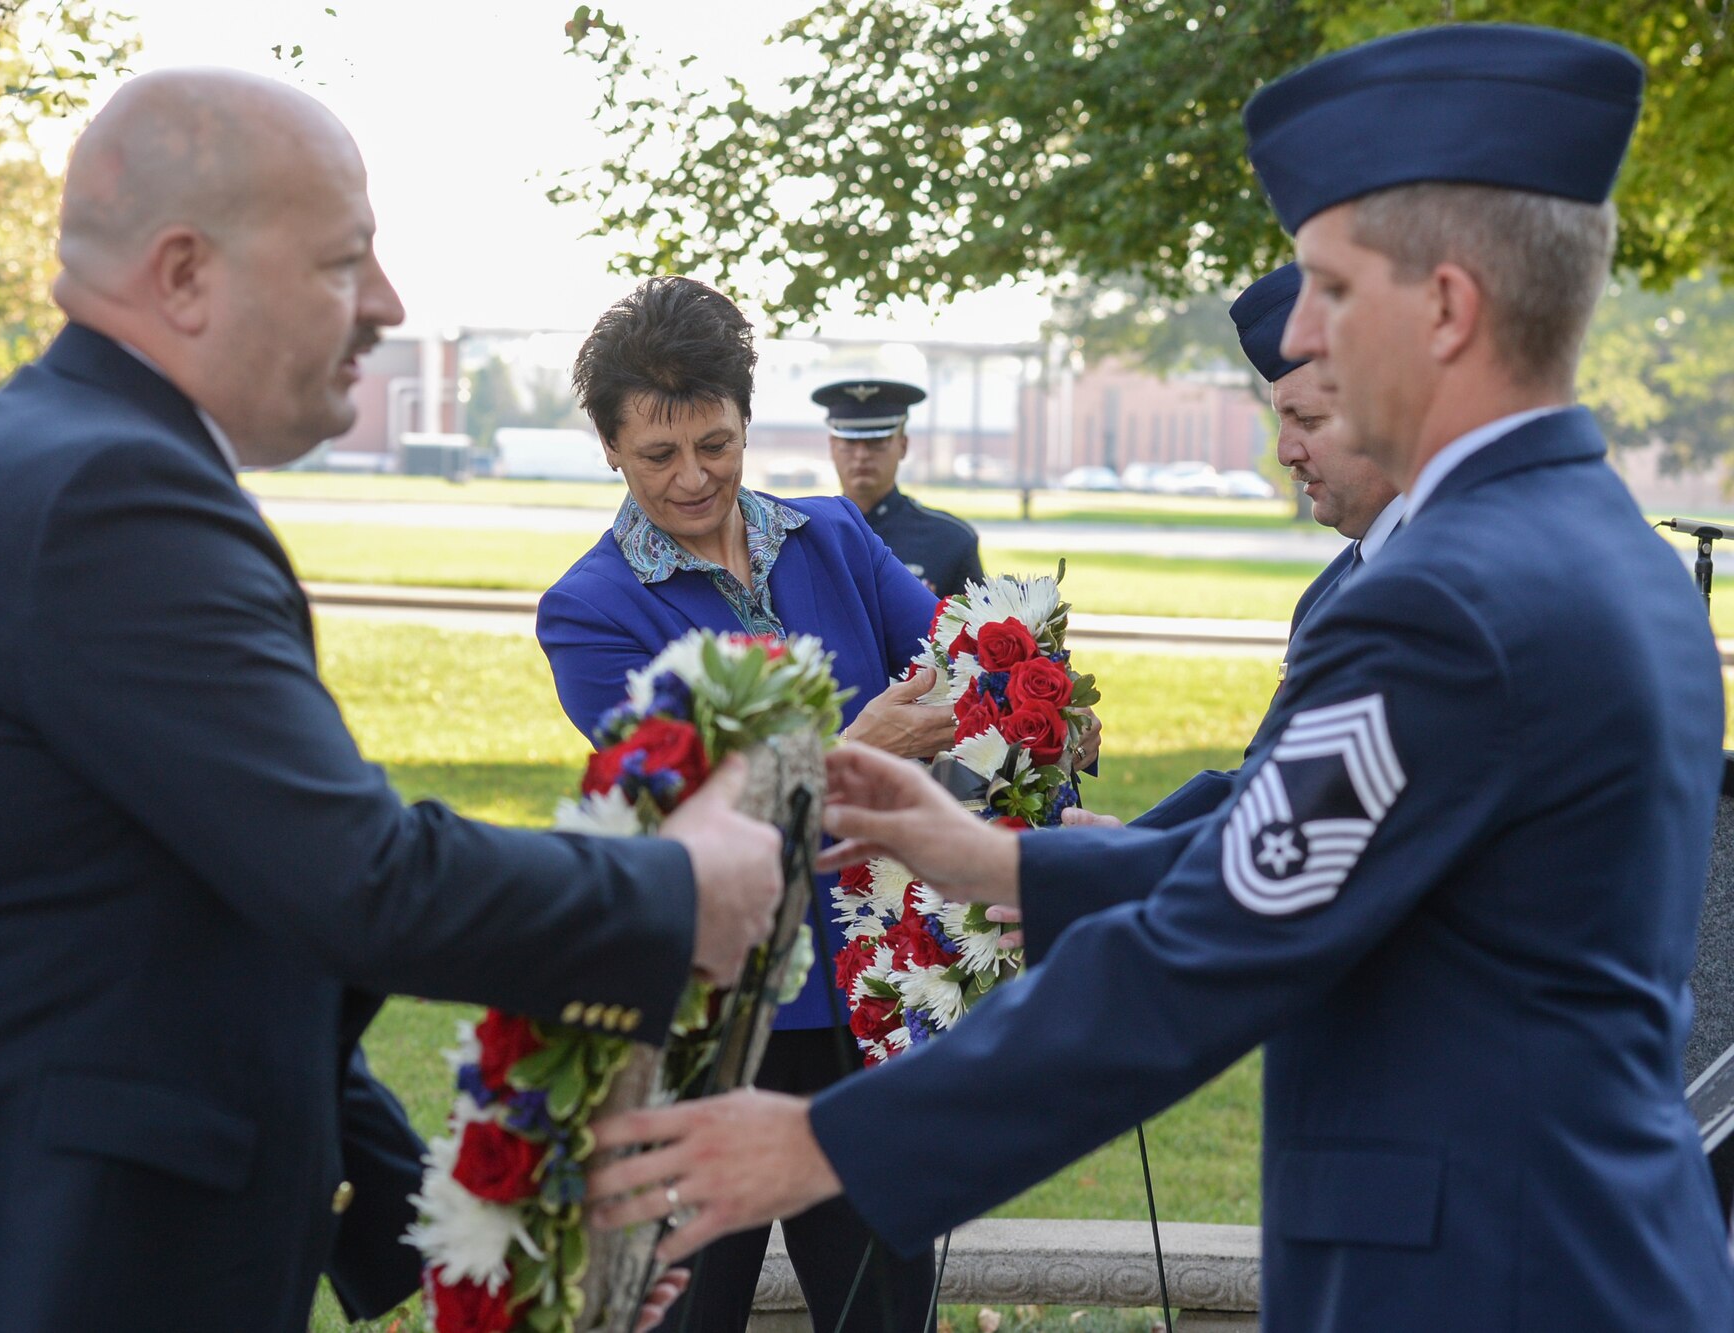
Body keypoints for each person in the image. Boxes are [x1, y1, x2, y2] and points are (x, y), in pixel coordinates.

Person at [584, 25, 1734, 1331]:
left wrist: (826, 1147)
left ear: (1450, 309)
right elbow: (1318, 846)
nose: (1298, 332)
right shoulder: (1608, 553)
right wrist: (1006, 865)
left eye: (1330, 291)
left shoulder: (1447, 603)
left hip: (1484, 1278)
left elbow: (1214, 951)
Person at [0, 71, 781, 1333]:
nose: (387, 308)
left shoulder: (89, 457)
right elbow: (358, 878)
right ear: (184, 275)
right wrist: (684, 891)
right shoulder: (105, 494)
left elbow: (238, 924)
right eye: (346, 262)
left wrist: (500, 1230)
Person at [538, 278, 957, 1333]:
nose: (691, 479)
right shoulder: (587, 612)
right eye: (657, 456)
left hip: (870, 1006)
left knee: (882, 1313)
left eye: (714, 446)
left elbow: (953, 665)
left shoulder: (834, 540)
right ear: (609, 450)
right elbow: (698, 809)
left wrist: (1030, 697)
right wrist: (863, 745)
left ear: (744, 421)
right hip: (707, 1025)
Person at [1132, 262, 1404, 830]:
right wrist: (1117, 850)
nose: (1285, 453)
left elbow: (1321, 819)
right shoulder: (1338, 583)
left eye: (1308, 420)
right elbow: (1268, 781)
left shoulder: (1424, 589)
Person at [814, 377, 984, 596]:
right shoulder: (810, 536)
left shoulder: (951, 541)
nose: (862, 455)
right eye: (849, 442)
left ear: (903, 446)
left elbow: (972, 627)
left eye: (877, 442)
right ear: (832, 446)